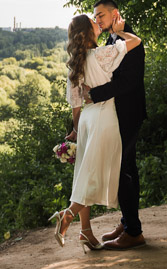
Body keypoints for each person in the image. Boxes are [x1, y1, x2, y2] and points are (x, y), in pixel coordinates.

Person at [50, 13, 141, 252]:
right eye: (94, 23)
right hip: (103, 116)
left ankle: (86, 231)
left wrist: (76, 129)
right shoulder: (102, 54)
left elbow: (76, 103)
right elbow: (136, 41)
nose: (97, 23)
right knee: (94, 172)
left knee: (84, 171)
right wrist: (119, 30)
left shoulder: (75, 63)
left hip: (87, 118)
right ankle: (68, 215)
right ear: (89, 33)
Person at [83, 0, 147, 251]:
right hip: (118, 114)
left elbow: (129, 82)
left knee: (121, 171)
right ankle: (129, 223)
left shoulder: (130, 39)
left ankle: (133, 232)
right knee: (128, 168)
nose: (97, 20)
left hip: (128, 113)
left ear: (115, 14)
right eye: (95, 16)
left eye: (101, 15)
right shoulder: (112, 39)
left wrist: (94, 95)